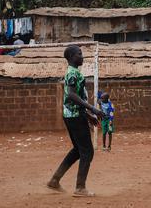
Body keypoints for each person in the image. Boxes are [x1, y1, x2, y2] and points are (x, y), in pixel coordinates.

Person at [47, 45, 105, 197]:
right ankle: (80, 188)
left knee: (78, 150)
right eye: (79, 54)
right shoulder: (73, 73)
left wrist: (87, 115)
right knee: (87, 151)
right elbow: (71, 95)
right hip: (74, 117)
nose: (82, 56)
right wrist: (93, 109)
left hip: (72, 115)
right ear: (72, 57)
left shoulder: (73, 73)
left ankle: (55, 180)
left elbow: (73, 100)